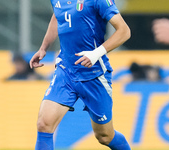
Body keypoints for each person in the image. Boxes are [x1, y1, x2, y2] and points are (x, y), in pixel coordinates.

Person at [30, 0, 131, 149]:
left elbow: (124, 31)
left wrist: (96, 54)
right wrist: (44, 47)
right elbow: (57, 15)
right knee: (44, 124)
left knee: (104, 136)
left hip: (94, 74)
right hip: (65, 71)